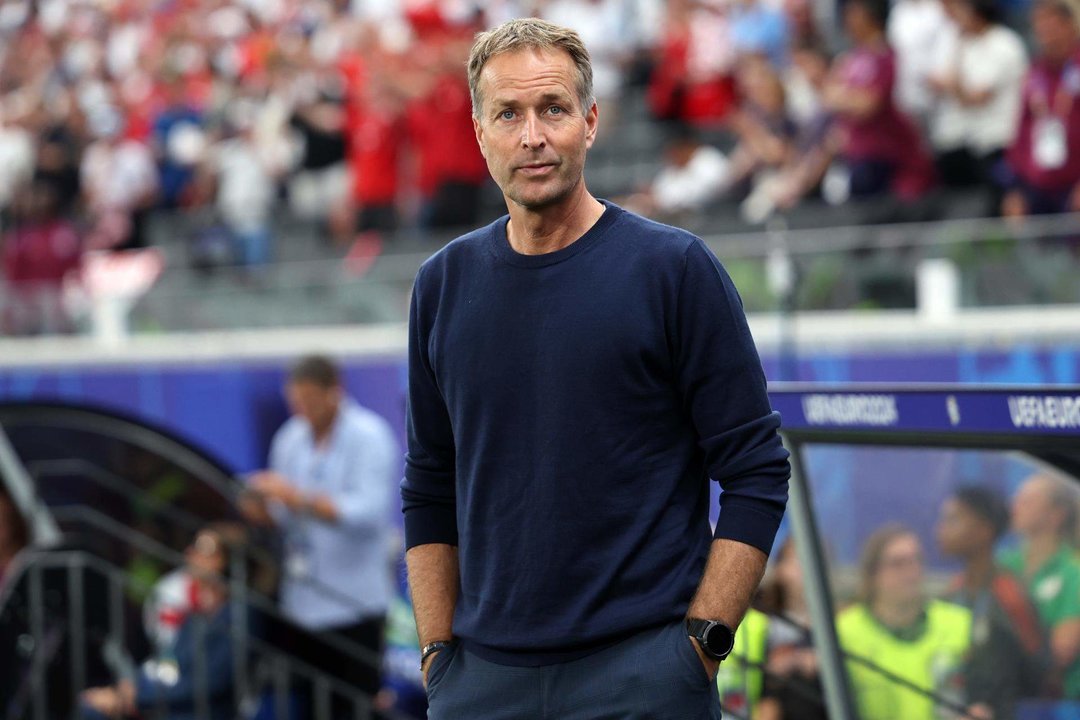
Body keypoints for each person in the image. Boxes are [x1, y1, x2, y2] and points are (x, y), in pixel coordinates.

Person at [401, 18, 790, 719]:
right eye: (508, 114)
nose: (533, 136)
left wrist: (699, 645)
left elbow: (757, 471)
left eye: (552, 109)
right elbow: (429, 486)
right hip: (483, 686)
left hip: (644, 678)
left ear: (590, 122)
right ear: (479, 130)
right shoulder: (442, 284)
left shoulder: (673, 269)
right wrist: (438, 657)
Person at [239, 355, 398, 702]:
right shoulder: (290, 437)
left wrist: (296, 497)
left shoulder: (369, 435)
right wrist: (262, 507)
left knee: (356, 704)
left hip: (354, 603)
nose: (303, 411)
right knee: (310, 703)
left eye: (311, 401)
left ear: (335, 392)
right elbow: (284, 517)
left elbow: (368, 512)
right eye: (296, 402)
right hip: (302, 602)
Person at [80, 526, 238, 720]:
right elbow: (170, 660)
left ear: (226, 561)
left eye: (202, 548)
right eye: (193, 545)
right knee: (90, 706)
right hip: (168, 700)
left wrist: (138, 697)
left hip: (193, 710)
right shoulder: (197, 614)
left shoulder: (236, 614)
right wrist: (134, 687)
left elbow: (209, 683)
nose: (190, 553)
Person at [836, 524, 973, 720]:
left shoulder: (959, 622)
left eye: (916, 560)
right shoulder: (843, 631)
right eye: (898, 563)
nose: (912, 571)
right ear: (873, 574)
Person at [936, 486, 1048, 717]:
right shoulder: (952, 593)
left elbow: (1040, 669)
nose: (941, 528)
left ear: (984, 531)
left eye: (954, 519)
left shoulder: (1011, 595)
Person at [928, 0, 1027, 211]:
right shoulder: (967, 43)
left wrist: (951, 84)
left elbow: (975, 97)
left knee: (1001, 202)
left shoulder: (1004, 44)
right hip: (975, 142)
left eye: (963, 12)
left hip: (1002, 141)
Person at [999, 472, 1080, 698]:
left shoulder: (1074, 572)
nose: (1014, 506)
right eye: (1016, 498)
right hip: (1006, 699)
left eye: (1027, 501)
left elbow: (1062, 651)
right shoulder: (1002, 565)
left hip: (1059, 704)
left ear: (1056, 515)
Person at [1001, 0, 1080, 218]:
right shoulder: (1034, 74)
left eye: (1052, 27)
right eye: (1040, 29)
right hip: (1038, 189)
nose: (1047, 36)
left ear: (1070, 26)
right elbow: (1021, 132)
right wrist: (1015, 189)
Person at [755, 538, 828, 720]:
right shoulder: (763, 624)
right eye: (798, 560)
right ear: (780, 570)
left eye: (814, 559)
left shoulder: (836, 624)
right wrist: (797, 661)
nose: (807, 568)